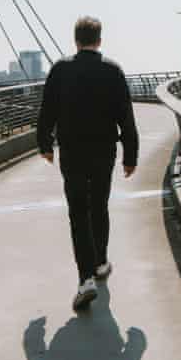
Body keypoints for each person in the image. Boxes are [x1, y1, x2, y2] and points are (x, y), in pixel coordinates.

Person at [37, 16, 139, 311]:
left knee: (78, 212)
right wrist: (130, 156)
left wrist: (45, 145)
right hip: (104, 151)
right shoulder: (113, 71)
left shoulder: (60, 70)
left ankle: (85, 279)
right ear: (100, 40)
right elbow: (126, 118)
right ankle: (99, 263)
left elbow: (47, 113)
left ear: (75, 40)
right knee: (99, 206)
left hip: (72, 152)